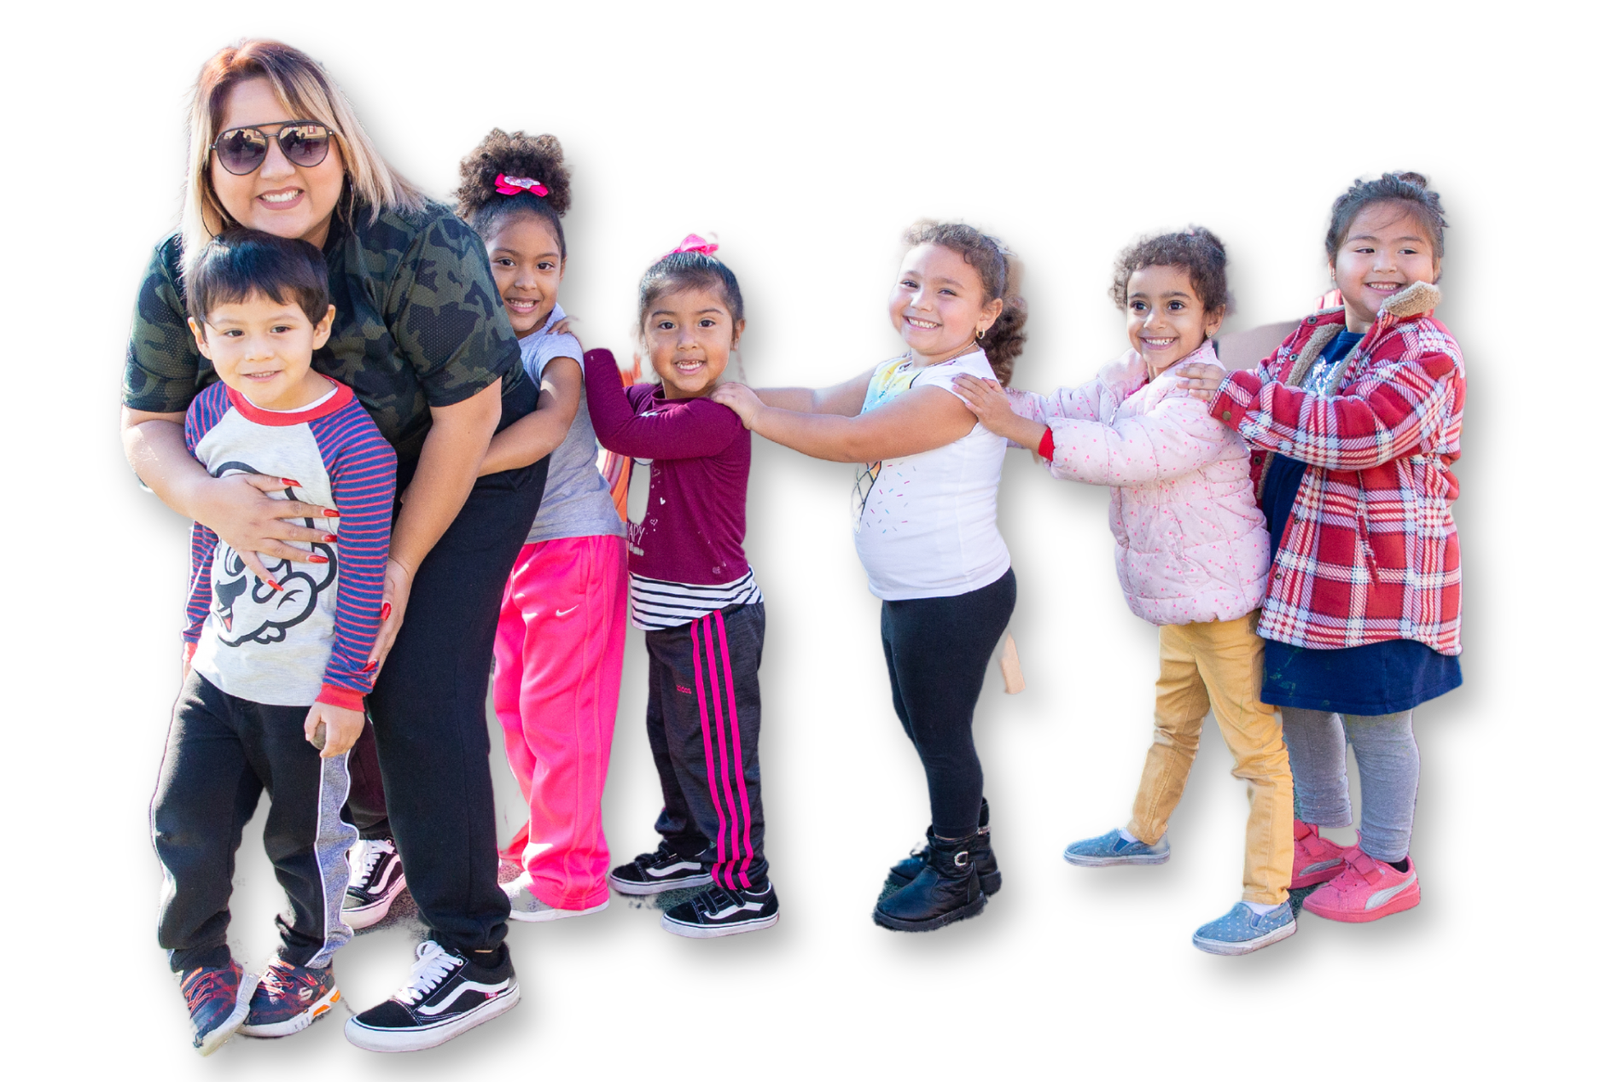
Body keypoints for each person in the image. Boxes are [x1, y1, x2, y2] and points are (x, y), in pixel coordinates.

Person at [120, 36, 545, 1053]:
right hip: (295, 488)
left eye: (302, 139)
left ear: (340, 138)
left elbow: (466, 416)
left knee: (405, 674)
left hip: (460, 465)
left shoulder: (416, 238)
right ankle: (385, 849)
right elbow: (146, 424)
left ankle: (471, 953)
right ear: (206, 159)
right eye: (243, 146)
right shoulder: (184, 263)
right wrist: (210, 501)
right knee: (278, 671)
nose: (276, 169)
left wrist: (393, 564)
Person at [955, 224, 1297, 956]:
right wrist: (1006, 401)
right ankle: (1145, 832)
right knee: (1171, 724)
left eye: (1176, 306)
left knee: (1257, 756)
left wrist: (1015, 426)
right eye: (1139, 304)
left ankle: (1268, 900)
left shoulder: (1204, 392)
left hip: (1225, 601)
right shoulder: (1131, 369)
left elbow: (1124, 454)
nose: (1153, 322)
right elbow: (1078, 407)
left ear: (1212, 319)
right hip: (1178, 596)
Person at [713, 216, 1023, 933]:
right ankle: (969, 848)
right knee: (923, 727)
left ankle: (956, 873)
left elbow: (852, 438)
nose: (921, 299)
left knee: (942, 736)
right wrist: (728, 392)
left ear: (986, 314)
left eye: (948, 291)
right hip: (910, 594)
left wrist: (750, 413)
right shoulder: (901, 368)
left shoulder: (958, 389)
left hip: (951, 597)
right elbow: (823, 402)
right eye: (910, 281)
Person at [1174, 169, 1464, 925]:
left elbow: (1360, 434)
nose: (1387, 266)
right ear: (1334, 261)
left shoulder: (1428, 350)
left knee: (1378, 720)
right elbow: (1263, 385)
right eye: (1364, 247)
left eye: (1410, 249)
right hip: (1302, 571)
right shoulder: (1325, 336)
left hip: (1378, 578)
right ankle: (1330, 835)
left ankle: (1391, 861)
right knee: (1299, 703)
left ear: (1434, 268)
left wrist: (1233, 394)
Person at [152, 229, 396, 1055]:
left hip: (306, 690)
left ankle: (310, 960)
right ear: (201, 336)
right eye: (233, 331)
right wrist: (192, 632)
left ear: (320, 326)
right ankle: (200, 960)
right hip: (217, 674)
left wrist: (344, 688)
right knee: (181, 819)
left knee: (304, 839)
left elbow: (368, 574)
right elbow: (205, 524)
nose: (256, 351)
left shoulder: (351, 444)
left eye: (279, 329)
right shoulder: (209, 410)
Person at [448, 128, 625, 921]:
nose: (527, 282)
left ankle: (573, 877)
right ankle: (542, 839)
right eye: (506, 263)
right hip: (515, 560)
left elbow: (551, 425)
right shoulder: (473, 345)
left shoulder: (559, 345)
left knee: (563, 719)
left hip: (574, 552)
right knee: (514, 709)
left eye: (544, 265)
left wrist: (446, 467)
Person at [584, 232, 780, 939]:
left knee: (719, 754)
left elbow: (618, 425)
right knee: (670, 741)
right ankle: (688, 847)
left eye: (706, 324)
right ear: (644, 334)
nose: (687, 342)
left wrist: (590, 355)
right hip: (666, 618)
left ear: (737, 334)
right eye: (665, 325)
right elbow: (633, 404)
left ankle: (744, 882)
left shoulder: (719, 415)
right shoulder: (656, 398)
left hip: (712, 623)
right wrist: (625, 374)